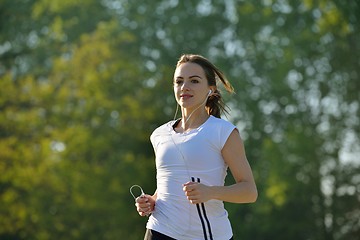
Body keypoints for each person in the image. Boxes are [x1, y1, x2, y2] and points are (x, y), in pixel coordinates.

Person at [135, 54, 257, 240]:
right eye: (179, 81)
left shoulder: (223, 132)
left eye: (194, 81)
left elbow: (249, 191)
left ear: (210, 89)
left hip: (209, 235)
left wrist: (210, 192)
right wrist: (151, 200)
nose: (185, 87)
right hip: (160, 231)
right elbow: (169, 184)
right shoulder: (159, 134)